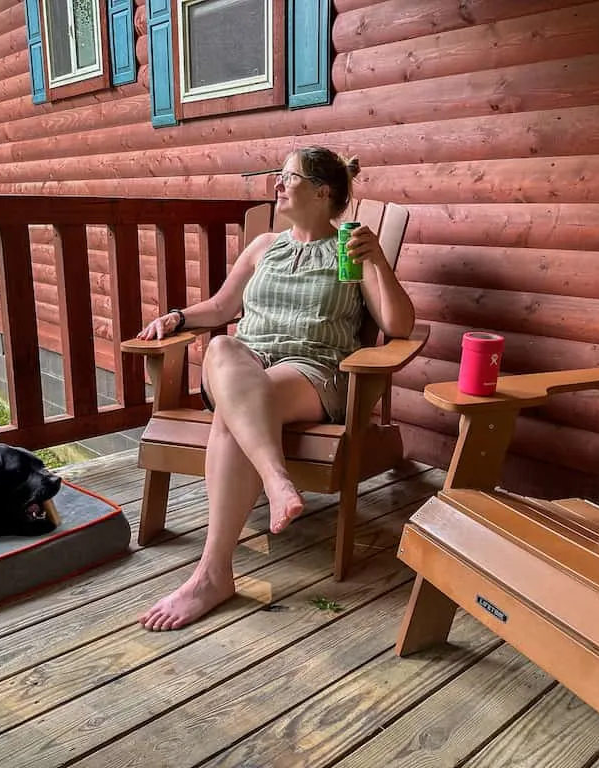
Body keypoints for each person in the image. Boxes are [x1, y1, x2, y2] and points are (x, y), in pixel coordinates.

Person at [136, 146, 416, 631]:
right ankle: (275, 478)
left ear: (323, 192)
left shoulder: (351, 252)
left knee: (233, 411)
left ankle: (211, 575)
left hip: (311, 371)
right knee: (223, 349)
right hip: (248, 364)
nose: (278, 185)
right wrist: (177, 317)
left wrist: (378, 263)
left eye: (288, 177)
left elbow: (397, 323)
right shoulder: (264, 246)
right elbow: (223, 308)